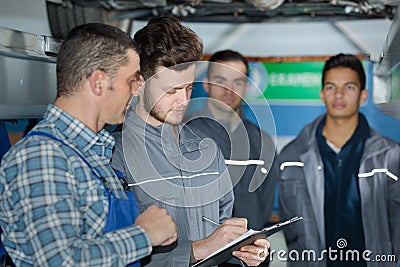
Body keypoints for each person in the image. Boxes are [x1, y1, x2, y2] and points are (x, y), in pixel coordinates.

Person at [0, 23, 178, 267]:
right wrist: (144, 235)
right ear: (99, 83)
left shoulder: (93, 155)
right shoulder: (42, 156)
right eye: (131, 80)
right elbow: (58, 262)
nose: (138, 90)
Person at [111, 17, 269, 266]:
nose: (183, 100)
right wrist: (199, 249)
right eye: (171, 91)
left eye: (189, 88)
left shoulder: (207, 149)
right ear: (139, 84)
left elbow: (222, 239)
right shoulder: (113, 157)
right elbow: (110, 256)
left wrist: (242, 252)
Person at [278, 53, 400, 267]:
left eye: (349, 87)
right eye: (331, 87)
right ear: (322, 94)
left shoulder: (390, 156)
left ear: (363, 95)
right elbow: (292, 231)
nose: (339, 95)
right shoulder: (292, 156)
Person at [184, 50, 278, 266]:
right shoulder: (182, 134)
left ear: (246, 86)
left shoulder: (262, 143)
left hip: (248, 261)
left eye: (238, 81)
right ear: (206, 84)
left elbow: (262, 208)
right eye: (220, 81)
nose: (229, 89)